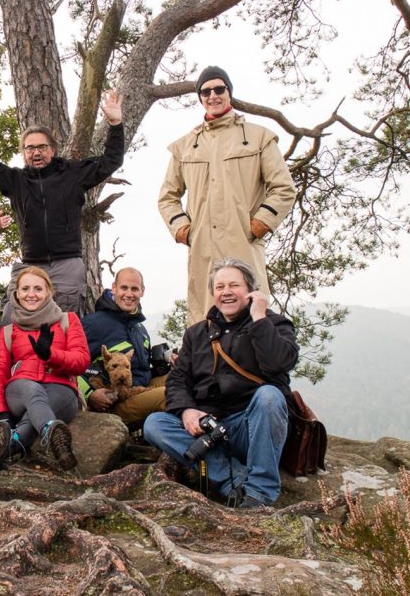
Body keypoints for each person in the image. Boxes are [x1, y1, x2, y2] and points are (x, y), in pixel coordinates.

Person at [143, 259, 298, 509]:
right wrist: (187, 411)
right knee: (154, 424)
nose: (226, 292)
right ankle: (233, 478)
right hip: (210, 428)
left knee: (269, 396)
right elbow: (178, 379)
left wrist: (259, 318)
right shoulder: (196, 334)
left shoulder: (274, 324)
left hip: (251, 426)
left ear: (250, 290)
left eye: (234, 285)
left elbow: (280, 364)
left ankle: (259, 493)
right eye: (219, 286)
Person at [0, 87, 124, 317]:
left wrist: (115, 125)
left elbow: (111, 160)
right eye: (30, 148)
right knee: (11, 319)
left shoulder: (73, 174)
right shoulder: (15, 180)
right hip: (30, 264)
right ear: (23, 152)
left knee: (63, 327)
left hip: (67, 264)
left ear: (53, 150)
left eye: (41, 147)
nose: (36, 152)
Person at [158, 66, 296, 325]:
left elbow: (284, 188)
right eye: (206, 91)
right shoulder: (184, 146)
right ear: (200, 97)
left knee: (251, 312)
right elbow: (167, 196)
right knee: (204, 318)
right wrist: (183, 230)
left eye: (219, 89)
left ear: (229, 93)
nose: (213, 95)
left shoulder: (259, 138)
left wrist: (259, 225)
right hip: (202, 249)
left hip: (243, 243)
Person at [0, 267, 91, 472]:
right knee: (31, 389)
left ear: (49, 292)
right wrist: (1, 414)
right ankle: (51, 432)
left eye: (38, 289)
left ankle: (10, 446)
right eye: (25, 289)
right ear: (17, 294)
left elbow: (82, 360)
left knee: (36, 411)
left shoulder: (68, 320)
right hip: (19, 391)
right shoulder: (8, 331)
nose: (31, 294)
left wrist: (50, 355)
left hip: (61, 389)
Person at [80, 267, 168, 430]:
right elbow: (67, 366)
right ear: (114, 288)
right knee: (169, 394)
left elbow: (141, 369)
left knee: (184, 378)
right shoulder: (94, 324)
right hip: (114, 404)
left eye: (134, 289)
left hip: (139, 389)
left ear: (142, 291)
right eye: (124, 288)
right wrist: (90, 394)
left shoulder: (139, 328)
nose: (129, 294)